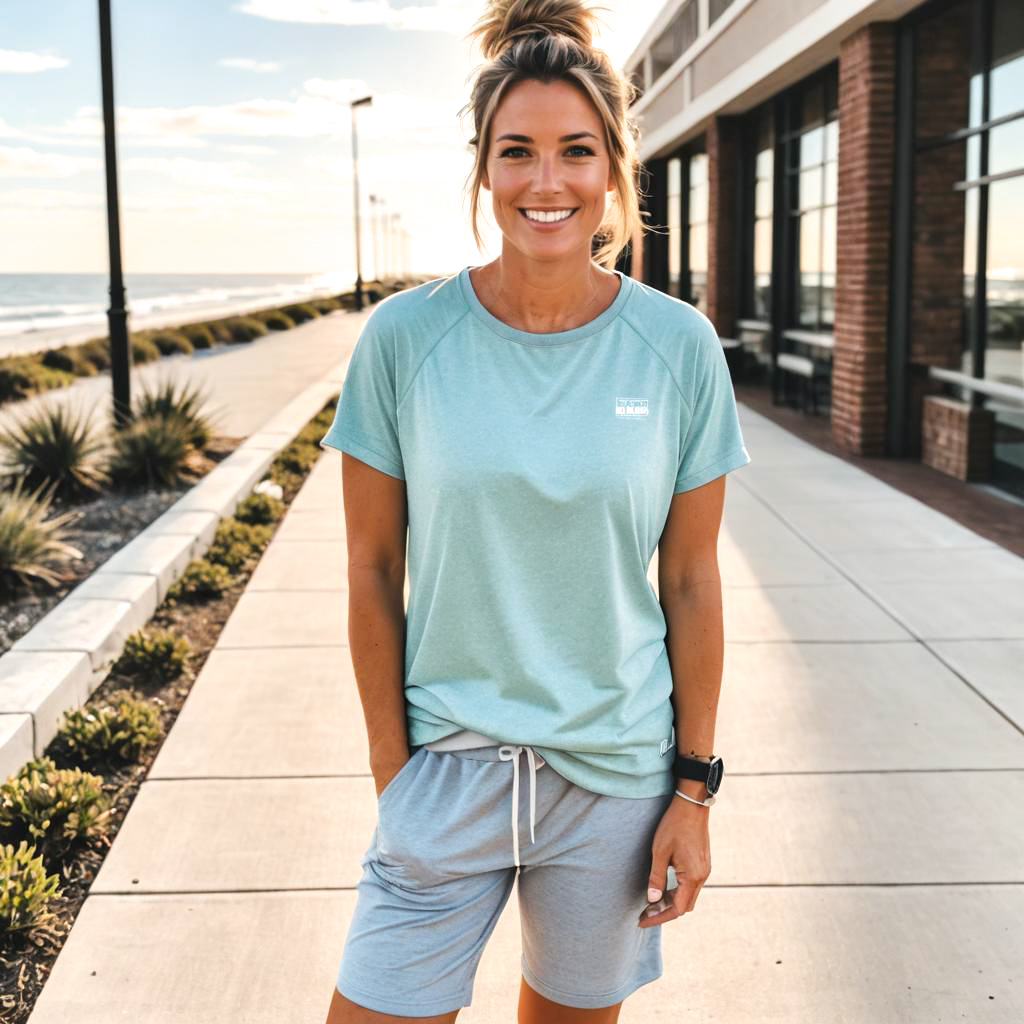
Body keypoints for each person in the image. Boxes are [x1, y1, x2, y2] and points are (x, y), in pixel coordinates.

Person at [321, 0, 751, 1020]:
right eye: (517, 152)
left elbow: (689, 579)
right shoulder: (403, 341)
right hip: (447, 771)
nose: (546, 183)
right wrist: (396, 777)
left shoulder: (678, 348)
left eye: (575, 152)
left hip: (612, 780)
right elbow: (371, 571)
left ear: (612, 169)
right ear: (483, 167)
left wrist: (691, 793)